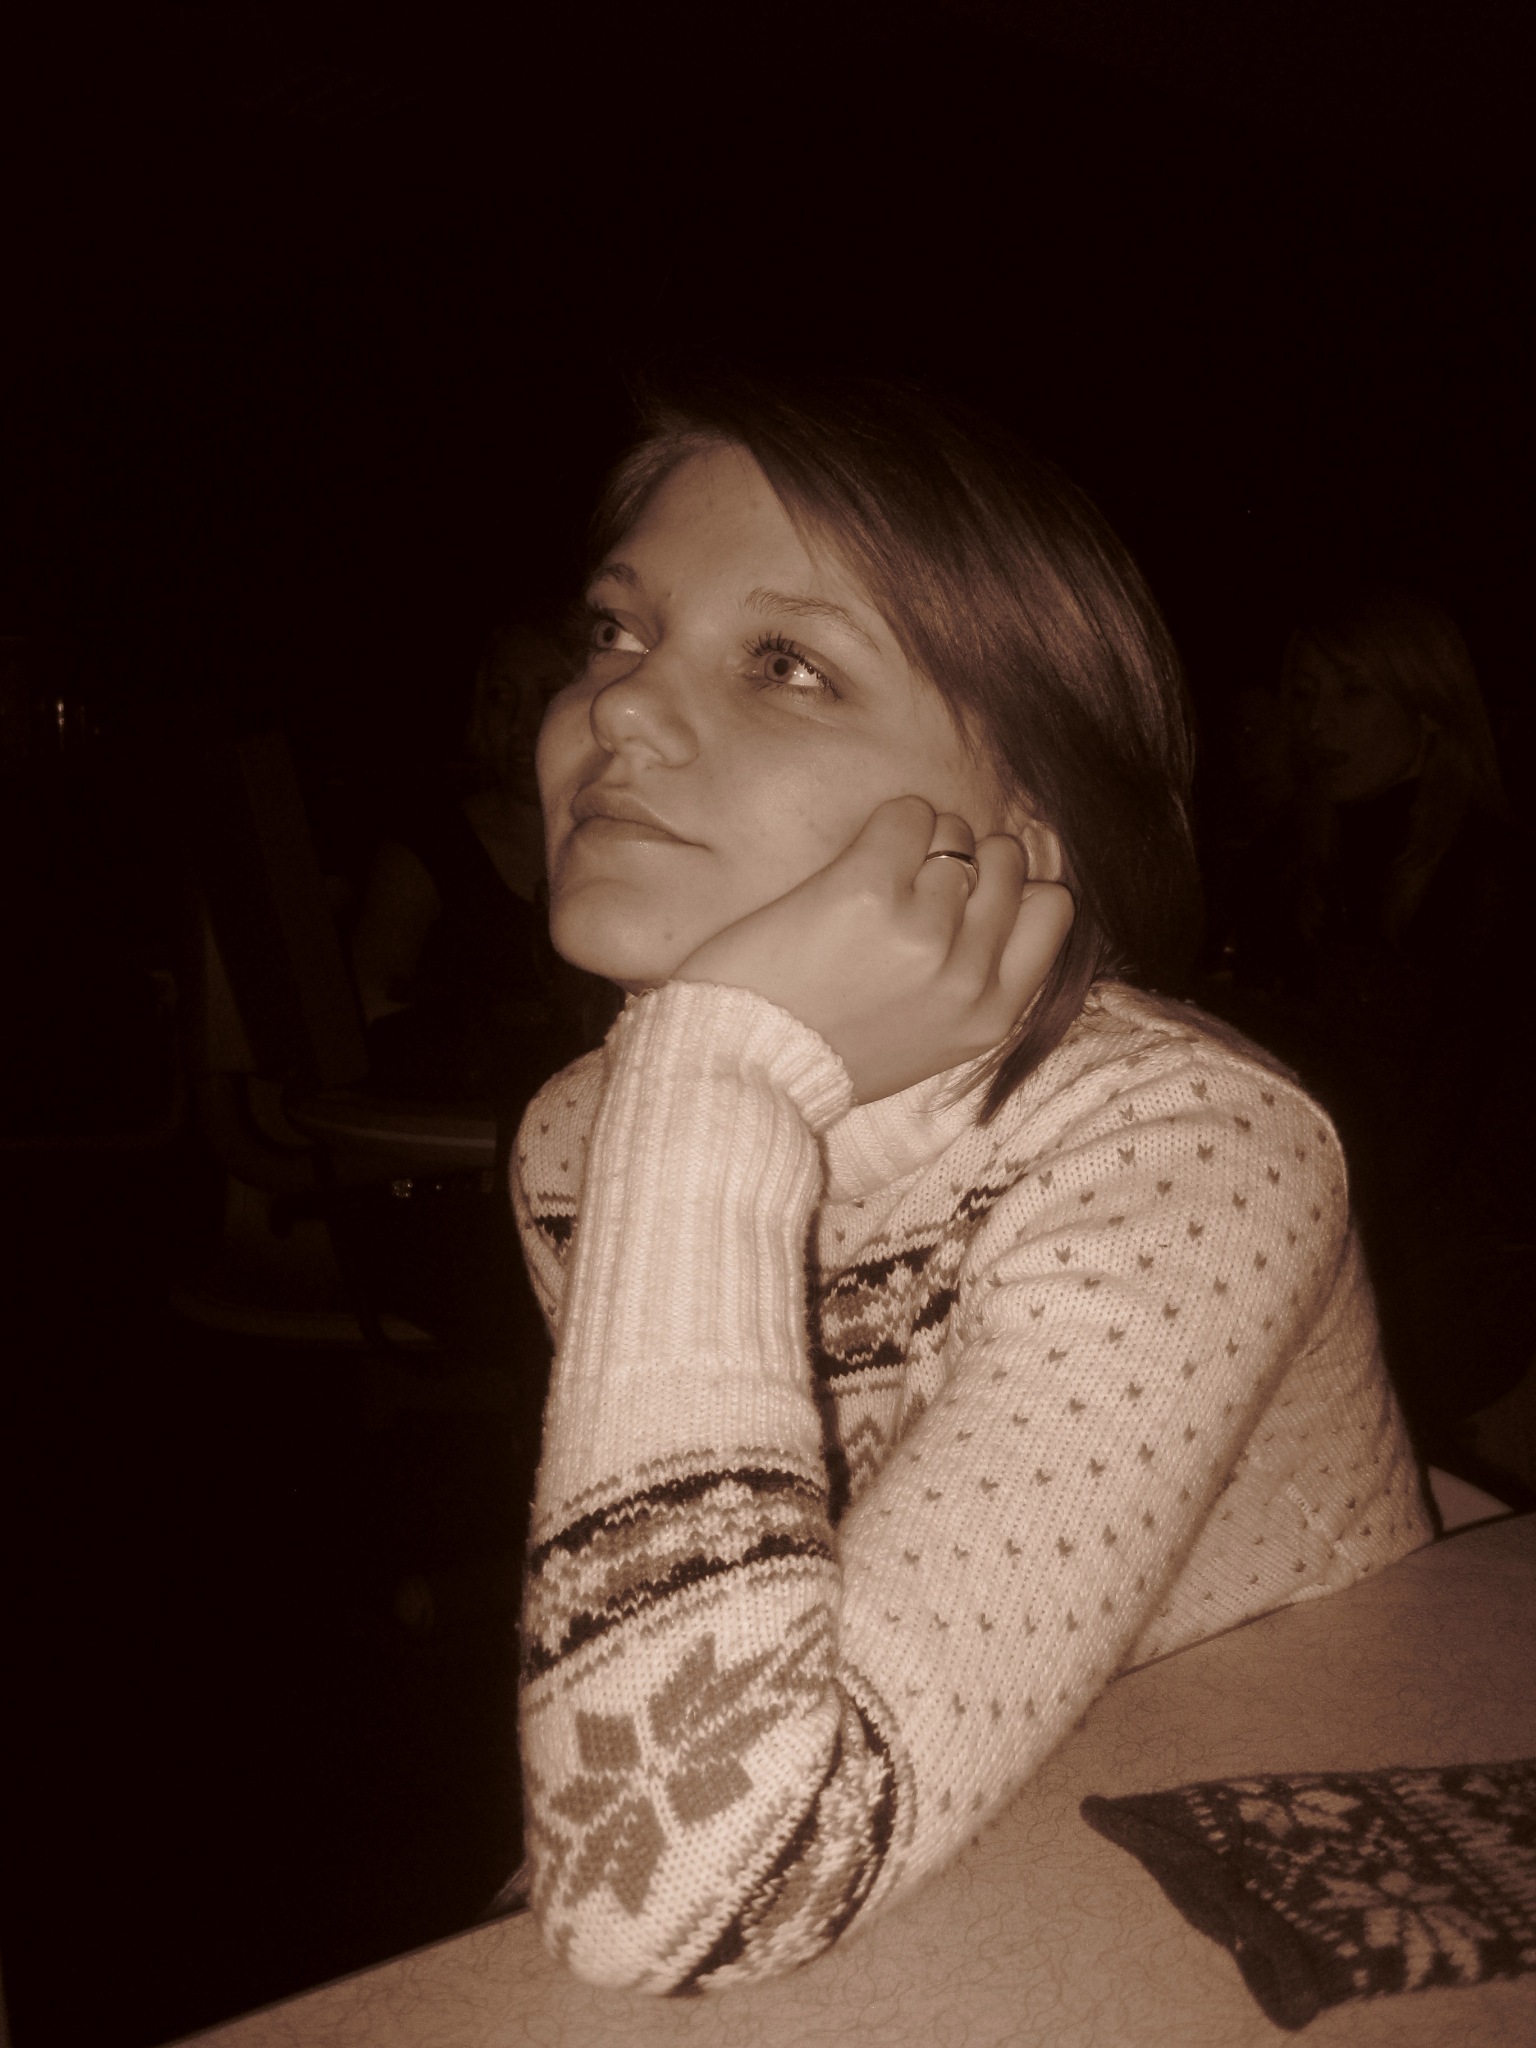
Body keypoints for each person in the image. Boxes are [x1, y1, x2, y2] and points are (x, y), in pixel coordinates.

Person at [509, 377, 1432, 1991]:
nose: (620, 709)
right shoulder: (588, 1144)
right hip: (951, 1870)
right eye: (613, 630)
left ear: (1029, 814)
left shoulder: (1188, 1146)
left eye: (785, 662)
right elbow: (659, 1726)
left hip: (1294, 1906)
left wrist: (718, 1073)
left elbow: (698, 1883)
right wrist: (697, 1095)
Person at [1202, 590, 1532, 1458]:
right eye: (1305, 694)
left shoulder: (1489, 877)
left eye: (1353, 692)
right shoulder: (1296, 859)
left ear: (1427, 707)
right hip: (1338, 1250)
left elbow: (1445, 1123)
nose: (1318, 722)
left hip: (1452, 1288)